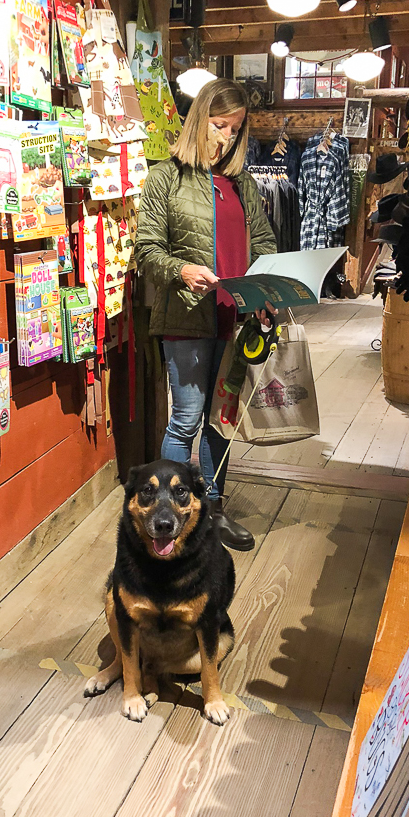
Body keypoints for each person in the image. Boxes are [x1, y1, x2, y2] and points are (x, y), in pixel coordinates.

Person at [135, 78, 278, 552]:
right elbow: (147, 250)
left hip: (234, 319)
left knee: (222, 418)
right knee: (186, 419)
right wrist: (180, 269)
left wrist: (269, 287)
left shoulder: (243, 184)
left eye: (236, 130)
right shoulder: (167, 178)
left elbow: (264, 242)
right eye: (220, 125)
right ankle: (168, 518)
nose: (227, 137)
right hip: (187, 317)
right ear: (200, 120)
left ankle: (212, 512)